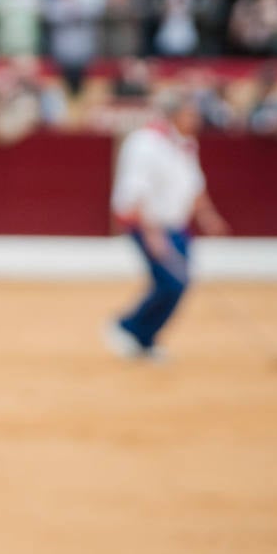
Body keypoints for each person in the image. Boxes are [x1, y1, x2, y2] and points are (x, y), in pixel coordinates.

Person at [105, 93, 230, 361]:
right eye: (190, 114)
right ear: (174, 115)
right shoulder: (145, 143)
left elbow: (194, 184)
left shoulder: (185, 143)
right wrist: (152, 234)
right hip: (147, 225)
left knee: (180, 282)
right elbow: (136, 192)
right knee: (172, 282)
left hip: (175, 225)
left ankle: (143, 337)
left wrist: (208, 216)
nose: (196, 120)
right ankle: (130, 328)